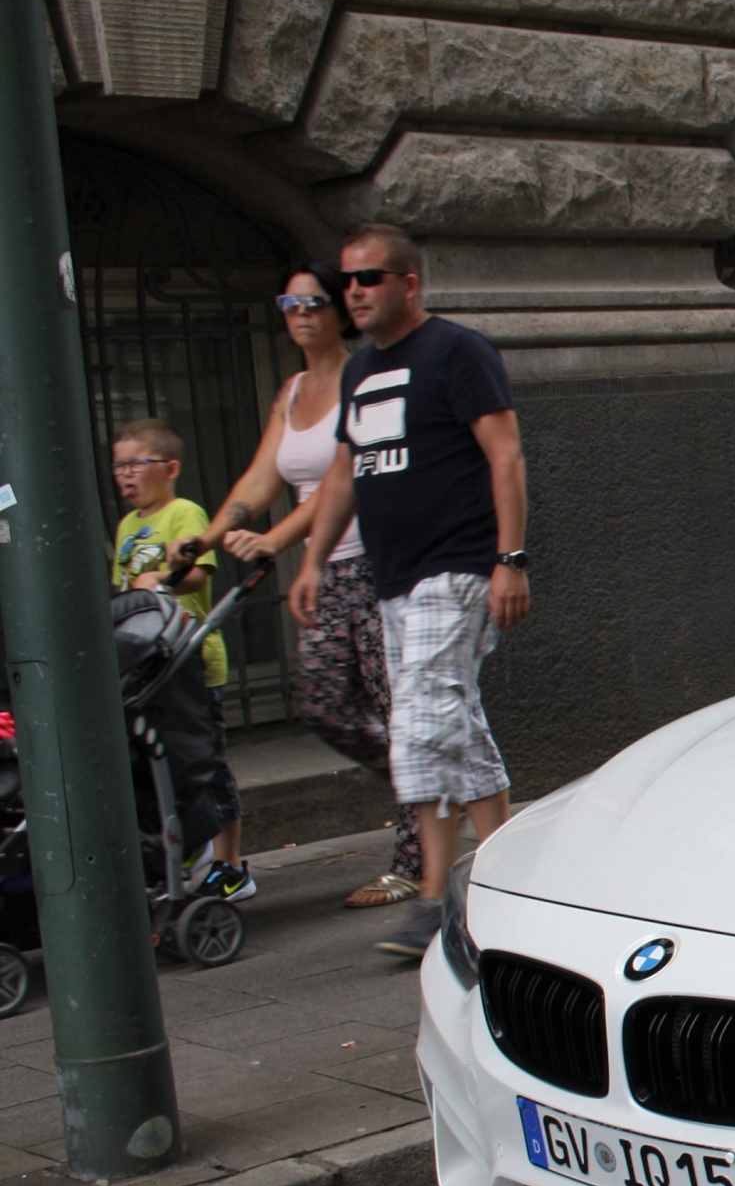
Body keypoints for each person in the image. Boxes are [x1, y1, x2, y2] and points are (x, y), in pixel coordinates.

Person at [288, 223, 530, 958]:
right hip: (393, 578)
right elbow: (340, 476)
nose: (352, 292)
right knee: (453, 720)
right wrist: (313, 562)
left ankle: (432, 901)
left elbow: (505, 453)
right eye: (347, 282)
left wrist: (510, 559)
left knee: (420, 727)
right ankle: (509, 873)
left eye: (368, 279)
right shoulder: (361, 371)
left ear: (408, 284)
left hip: (454, 568)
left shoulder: (457, 351)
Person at [194, 265, 425, 908]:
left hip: (378, 564)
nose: (299, 312)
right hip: (325, 570)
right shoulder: (293, 390)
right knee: (324, 704)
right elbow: (260, 480)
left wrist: (276, 541)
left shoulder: (366, 379)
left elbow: (340, 484)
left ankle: (415, 857)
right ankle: (435, 785)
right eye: (288, 302)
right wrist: (204, 540)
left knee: (396, 713)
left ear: (338, 311)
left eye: (313, 301)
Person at [110, 419, 249, 898]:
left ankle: (230, 866)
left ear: (170, 468)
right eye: (118, 465)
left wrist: (162, 575)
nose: (124, 474)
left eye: (135, 463)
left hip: (189, 659)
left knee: (206, 762)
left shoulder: (183, 511)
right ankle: (191, 853)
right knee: (167, 765)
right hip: (149, 666)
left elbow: (197, 574)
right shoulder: (128, 524)